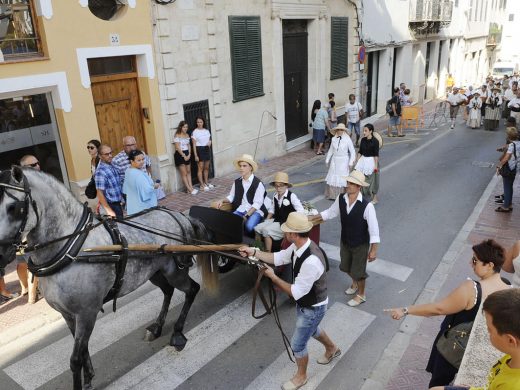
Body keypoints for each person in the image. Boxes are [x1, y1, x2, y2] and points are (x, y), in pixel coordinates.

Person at [385, 239, 510, 388]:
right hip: (481, 355)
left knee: (439, 382)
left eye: (475, 260)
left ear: (490, 265)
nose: (471, 263)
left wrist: (405, 310)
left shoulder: (472, 289)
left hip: (455, 348)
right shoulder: (509, 288)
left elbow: (438, 309)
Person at [239, 212, 340, 390]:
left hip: (312, 307)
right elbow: (278, 258)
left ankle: (301, 377)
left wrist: (273, 277)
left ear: (293, 234)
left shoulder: (311, 260)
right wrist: (253, 251)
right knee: (313, 329)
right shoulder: (297, 246)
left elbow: (296, 293)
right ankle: (332, 349)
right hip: (309, 305)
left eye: (287, 231)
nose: (284, 233)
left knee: (298, 344)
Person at [311, 170, 380, 307]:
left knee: (359, 272)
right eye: (348, 182)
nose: (348, 185)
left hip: (360, 244)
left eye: (352, 183)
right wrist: (311, 218)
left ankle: (361, 294)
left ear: (359, 187)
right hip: (345, 240)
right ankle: (354, 284)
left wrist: (373, 250)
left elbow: (374, 230)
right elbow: (330, 213)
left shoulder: (367, 206)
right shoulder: (341, 198)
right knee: (345, 267)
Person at [430, 288, 520, 390]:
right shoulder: (513, 357)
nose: (487, 332)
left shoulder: (512, 386)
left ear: (510, 341)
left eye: (490, 330)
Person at [216, 154, 267, 235]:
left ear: (250, 168)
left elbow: (257, 203)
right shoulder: (237, 182)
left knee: (249, 226)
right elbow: (232, 196)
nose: (241, 168)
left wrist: (246, 216)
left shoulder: (258, 183)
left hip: (255, 211)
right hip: (241, 209)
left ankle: (251, 243)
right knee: (229, 222)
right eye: (240, 166)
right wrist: (222, 200)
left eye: (244, 166)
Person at [254, 172, 304, 252]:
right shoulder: (275, 195)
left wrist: (292, 224)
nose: (278, 188)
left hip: (286, 223)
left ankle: (268, 253)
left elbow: (301, 211)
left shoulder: (292, 196)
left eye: (281, 185)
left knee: (266, 230)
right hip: (277, 220)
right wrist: (267, 219)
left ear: (286, 186)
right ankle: (258, 249)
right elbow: (272, 209)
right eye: (276, 186)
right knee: (257, 228)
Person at [17, 155, 41, 303]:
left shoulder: (41, 181)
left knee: (27, 260)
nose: (38, 166)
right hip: (27, 232)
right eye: (34, 165)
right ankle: (30, 293)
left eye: (38, 163)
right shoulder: (22, 187)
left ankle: (28, 290)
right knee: (29, 261)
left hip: (32, 231)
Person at [123, 150, 159, 215]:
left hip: (133, 206)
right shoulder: (138, 175)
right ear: (132, 161)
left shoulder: (128, 171)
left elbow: (125, 189)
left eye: (143, 159)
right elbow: (147, 191)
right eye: (139, 160)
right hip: (143, 208)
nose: (142, 162)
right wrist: (155, 186)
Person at [324, 123, 356, 200]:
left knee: (343, 177)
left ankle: (342, 196)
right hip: (335, 160)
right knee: (333, 176)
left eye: (341, 129)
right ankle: (333, 195)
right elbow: (331, 150)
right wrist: (327, 159)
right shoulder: (333, 139)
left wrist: (351, 162)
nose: (339, 131)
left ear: (344, 130)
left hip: (344, 160)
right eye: (338, 129)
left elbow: (352, 152)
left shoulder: (347, 139)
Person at [94, 145, 124, 219]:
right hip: (111, 206)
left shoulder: (111, 164)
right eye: (107, 154)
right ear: (100, 156)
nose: (110, 156)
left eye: (111, 153)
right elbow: (100, 193)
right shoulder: (100, 172)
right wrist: (109, 211)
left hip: (117, 204)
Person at [355, 124, 381, 204]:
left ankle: (375, 199)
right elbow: (360, 151)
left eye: (366, 131)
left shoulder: (375, 142)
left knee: (372, 181)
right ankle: (359, 197)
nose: (364, 132)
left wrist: (375, 166)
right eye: (363, 130)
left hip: (371, 162)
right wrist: (357, 161)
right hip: (363, 161)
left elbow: (376, 155)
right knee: (358, 179)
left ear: (371, 131)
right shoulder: (363, 140)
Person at [495, 127, 519, 213]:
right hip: (515, 167)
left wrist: (499, 166)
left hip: (509, 168)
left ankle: (506, 206)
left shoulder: (512, 145)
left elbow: (506, 158)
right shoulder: (518, 143)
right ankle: (509, 203)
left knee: (507, 187)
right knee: (510, 186)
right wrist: (501, 149)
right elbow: (508, 147)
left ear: (508, 136)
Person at [173, 120, 197, 195]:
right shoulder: (177, 135)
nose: (185, 128)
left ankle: (191, 187)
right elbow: (177, 146)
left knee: (189, 171)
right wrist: (184, 156)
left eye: (186, 127)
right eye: (184, 127)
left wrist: (189, 154)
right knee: (184, 173)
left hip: (187, 153)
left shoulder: (187, 135)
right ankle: (189, 189)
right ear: (181, 127)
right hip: (180, 154)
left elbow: (189, 145)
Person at [191, 116, 213, 191]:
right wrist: (196, 155)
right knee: (200, 168)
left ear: (203, 122)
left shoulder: (206, 131)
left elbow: (209, 140)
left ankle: (206, 182)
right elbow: (193, 144)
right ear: (196, 123)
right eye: (198, 122)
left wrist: (210, 142)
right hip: (199, 149)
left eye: (200, 122)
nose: (199, 123)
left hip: (206, 149)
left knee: (206, 167)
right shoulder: (195, 132)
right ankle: (202, 184)